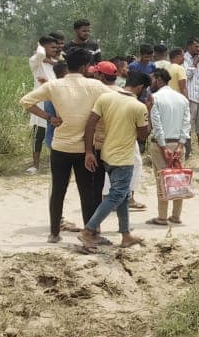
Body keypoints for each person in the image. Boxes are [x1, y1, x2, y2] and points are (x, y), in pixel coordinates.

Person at [21, 47, 112, 244]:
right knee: (87, 191)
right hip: (84, 149)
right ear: (84, 66)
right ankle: (90, 233)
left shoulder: (54, 86)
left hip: (60, 146)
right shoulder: (94, 86)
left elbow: (26, 101)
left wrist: (49, 118)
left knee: (58, 191)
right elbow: (115, 96)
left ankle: (54, 233)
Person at [79, 71, 150, 251]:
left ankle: (125, 235)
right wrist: (148, 109)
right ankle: (88, 230)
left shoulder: (106, 98)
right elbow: (143, 135)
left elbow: (90, 124)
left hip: (106, 154)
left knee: (123, 195)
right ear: (141, 88)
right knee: (117, 195)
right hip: (123, 157)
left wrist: (88, 150)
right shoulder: (138, 106)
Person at [144, 69, 190, 226]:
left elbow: (157, 125)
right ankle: (176, 216)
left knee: (162, 180)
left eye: (152, 79)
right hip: (178, 144)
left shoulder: (155, 98)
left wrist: (163, 147)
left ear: (158, 79)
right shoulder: (182, 99)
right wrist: (181, 144)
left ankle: (162, 217)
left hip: (161, 144)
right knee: (178, 179)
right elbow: (186, 123)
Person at [27, 35, 59, 174]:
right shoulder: (36, 61)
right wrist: (39, 44)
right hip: (39, 103)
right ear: (43, 47)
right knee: (38, 133)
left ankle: (55, 163)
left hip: (53, 101)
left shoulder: (54, 63)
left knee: (54, 132)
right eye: (51, 47)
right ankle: (35, 165)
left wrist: (52, 61)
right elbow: (40, 53)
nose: (55, 49)